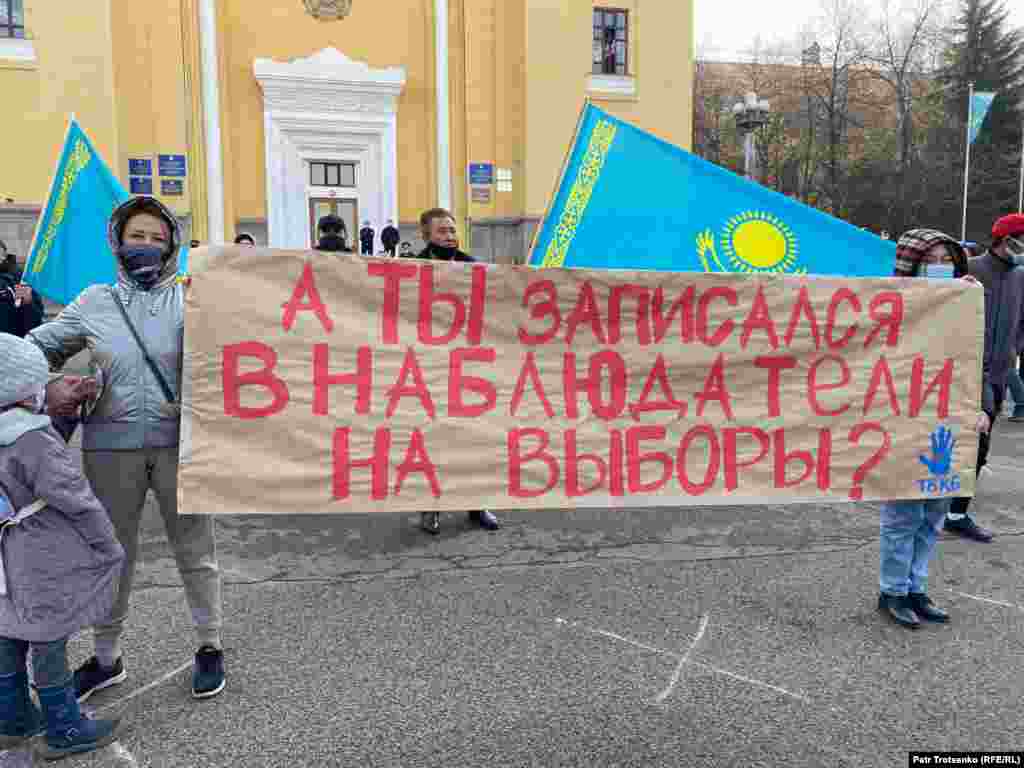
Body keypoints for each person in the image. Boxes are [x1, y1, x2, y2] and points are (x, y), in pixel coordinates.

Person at [28, 195, 226, 702]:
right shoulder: (95, 301)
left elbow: (234, 356)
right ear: (118, 240)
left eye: (158, 238)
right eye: (137, 235)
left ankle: (209, 646)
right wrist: (54, 383)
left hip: (182, 445)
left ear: (172, 246)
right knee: (112, 553)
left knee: (195, 551)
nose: (147, 245)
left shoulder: (195, 297)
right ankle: (107, 657)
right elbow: (36, 350)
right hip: (109, 448)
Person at [0, 333, 124, 759]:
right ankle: (64, 727)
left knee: (7, 629)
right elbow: (74, 496)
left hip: (2, 553)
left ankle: (11, 718)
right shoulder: (32, 439)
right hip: (39, 553)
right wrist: (107, 544)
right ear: (23, 390)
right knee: (48, 635)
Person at [878, 229, 982, 628]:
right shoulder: (889, 303)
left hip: (949, 419)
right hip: (904, 419)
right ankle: (893, 592)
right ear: (913, 263)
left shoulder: (964, 300)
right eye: (931, 258)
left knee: (935, 511)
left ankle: (916, 587)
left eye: (947, 258)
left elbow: (971, 356)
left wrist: (979, 406)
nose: (941, 266)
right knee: (903, 514)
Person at [416, 209, 499, 534]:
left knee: (472, 439)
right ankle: (430, 507)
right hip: (429, 367)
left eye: (452, 230)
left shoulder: (472, 266)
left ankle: (477, 504)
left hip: (468, 367)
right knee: (432, 440)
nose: (450, 236)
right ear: (426, 235)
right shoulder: (410, 269)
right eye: (442, 232)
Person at [946, 213, 1024, 542]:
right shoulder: (970, 269)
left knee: (979, 446)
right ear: (1005, 240)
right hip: (959, 371)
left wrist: (1012, 350)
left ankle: (956, 513)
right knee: (946, 440)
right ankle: (933, 504)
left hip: (996, 375)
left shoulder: (1021, 276)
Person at [0, 241, 44, 338]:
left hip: (12, 345)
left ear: (3, 256)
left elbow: (36, 324)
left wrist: (28, 303)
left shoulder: (20, 280)